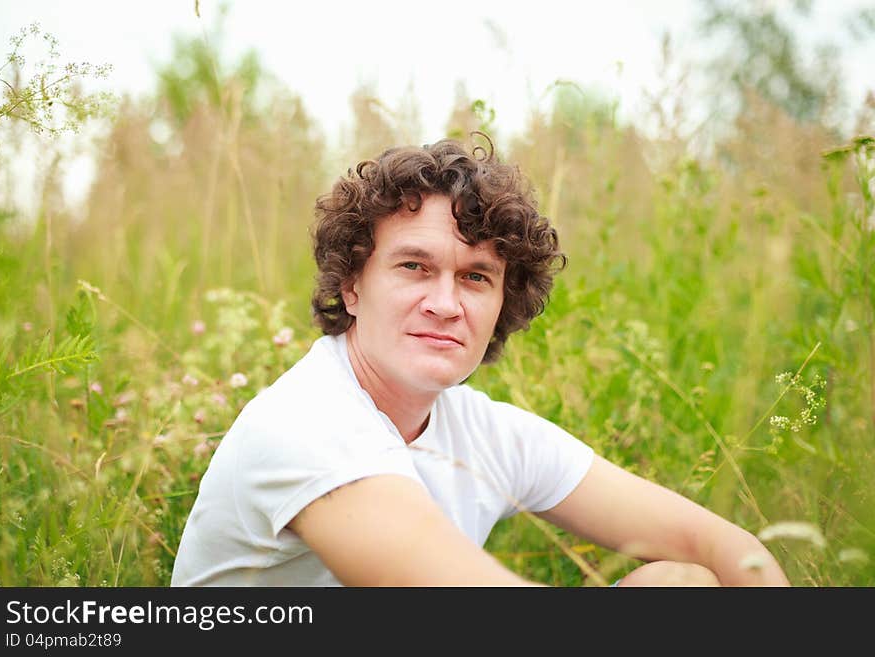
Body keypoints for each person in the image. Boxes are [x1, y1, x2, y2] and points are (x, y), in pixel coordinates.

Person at [171, 134, 790, 587]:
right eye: (414, 267)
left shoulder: (482, 430)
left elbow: (723, 544)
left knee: (680, 584)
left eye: (475, 278)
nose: (445, 304)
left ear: (502, 303)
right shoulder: (305, 422)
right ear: (352, 286)